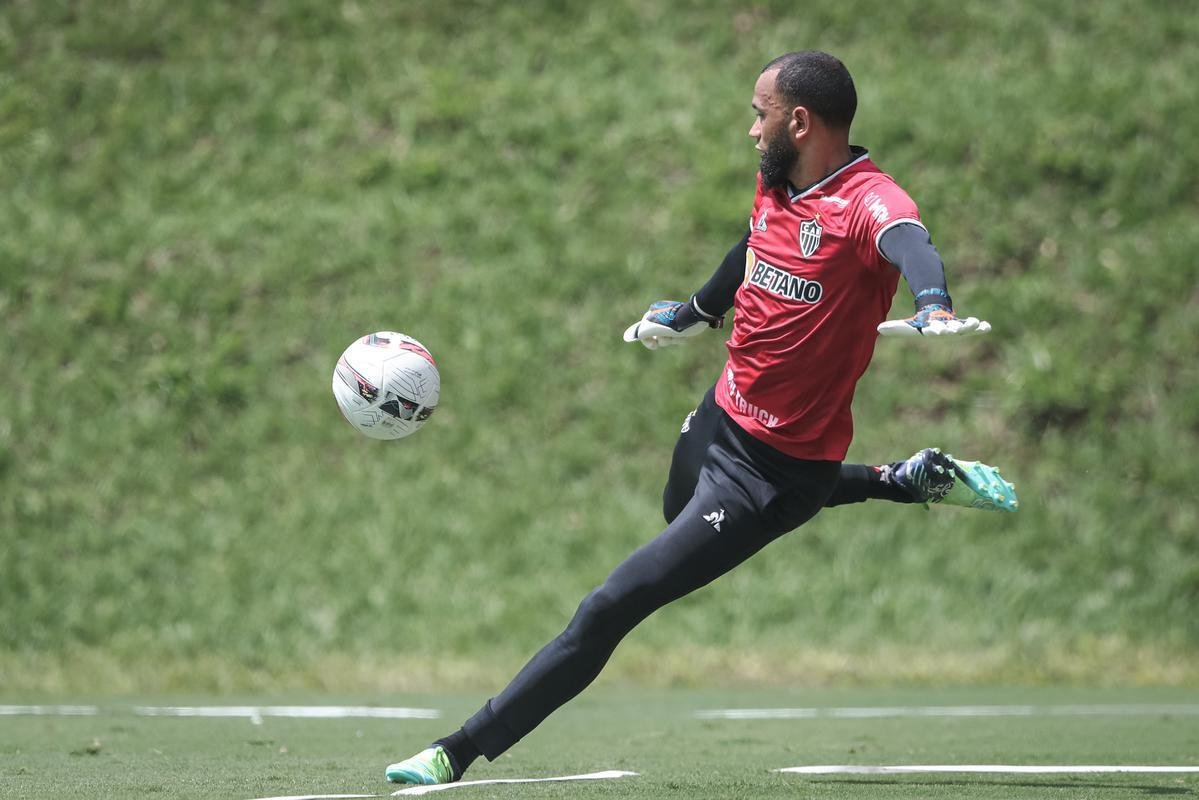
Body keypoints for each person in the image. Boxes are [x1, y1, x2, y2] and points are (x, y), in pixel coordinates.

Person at [384, 50, 1017, 786]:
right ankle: (903, 479)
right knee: (673, 510)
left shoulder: (867, 202)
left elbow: (908, 240)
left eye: (760, 113)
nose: (752, 130)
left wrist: (932, 303)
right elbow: (755, 244)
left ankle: (455, 750)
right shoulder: (778, 181)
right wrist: (696, 311)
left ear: (800, 120)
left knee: (610, 605)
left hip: (769, 475)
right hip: (721, 414)